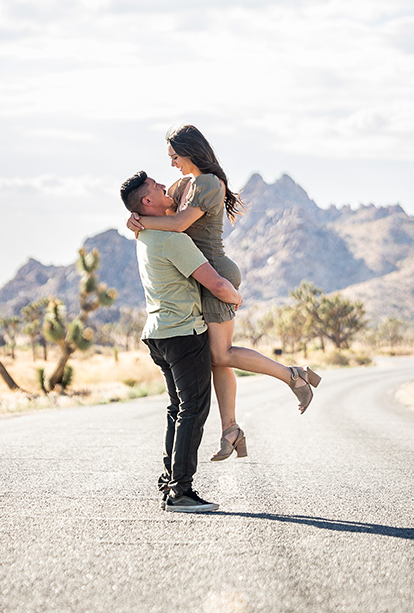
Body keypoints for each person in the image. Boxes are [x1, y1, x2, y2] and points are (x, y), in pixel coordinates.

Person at [126, 124, 321, 462]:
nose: (171, 163)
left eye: (175, 156)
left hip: (215, 273)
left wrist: (138, 221)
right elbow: (166, 215)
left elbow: (176, 225)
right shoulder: (183, 184)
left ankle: (293, 376)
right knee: (217, 358)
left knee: (221, 354)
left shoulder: (208, 184)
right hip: (200, 275)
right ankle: (230, 429)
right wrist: (140, 218)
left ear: (191, 151)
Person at [120, 170, 242, 514]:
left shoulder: (144, 235)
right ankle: (181, 492)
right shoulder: (173, 239)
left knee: (178, 409)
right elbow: (216, 284)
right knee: (193, 409)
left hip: (157, 334)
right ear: (147, 202)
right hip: (183, 334)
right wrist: (235, 296)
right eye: (157, 187)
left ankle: (169, 482)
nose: (163, 185)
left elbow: (175, 195)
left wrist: (140, 216)